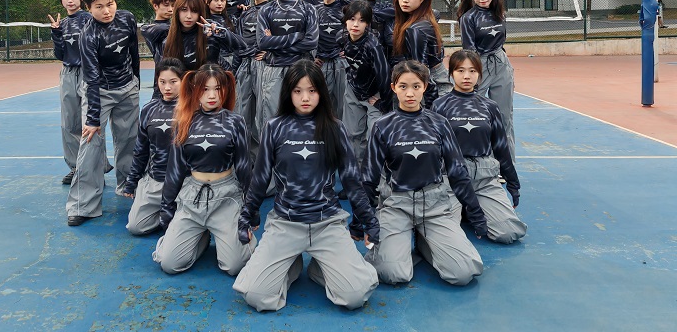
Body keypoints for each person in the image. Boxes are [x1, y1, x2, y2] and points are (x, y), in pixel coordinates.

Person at [233, 60, 379, 312]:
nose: (305, 98)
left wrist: (369, 221)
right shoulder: (274, 127)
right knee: (257, 296)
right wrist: (248, 215)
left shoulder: (335, 128)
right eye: (298, 91)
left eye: (312, 90)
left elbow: (352, 181)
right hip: (286, 223)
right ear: (288, 93)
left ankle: (320, 268)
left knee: (354, 297)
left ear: (321, 92)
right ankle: (291, 264)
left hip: (327, 222)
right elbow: (260, 177)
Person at [362, 60, 487, 286]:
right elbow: (369, 177)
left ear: (425, 87)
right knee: (394, 274)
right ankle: (396, 246)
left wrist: (475, 213)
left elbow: (457, 171)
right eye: (403, 86)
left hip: (434, 206)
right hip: (397, 205)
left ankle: (424, 243)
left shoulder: (439, 123)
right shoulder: (383, 126)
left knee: (464, 272)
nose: (410, 93)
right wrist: (367, 220)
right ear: (393, 88)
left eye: (416, 86)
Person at [153, 63, 256, 275]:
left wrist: (251, 212)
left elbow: (244, 168)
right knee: (169, 264)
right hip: (193, 197)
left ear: (225, 90)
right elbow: (175, 170)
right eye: (205, 89)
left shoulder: (235, 122)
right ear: (195, 90)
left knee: (234, 266)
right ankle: (200, 235)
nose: (211, 95)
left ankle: (233, 236)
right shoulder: (184, 121)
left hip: (226, 197)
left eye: (217, 89)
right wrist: (166, 208)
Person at [432, 50, 527, 244]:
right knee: (445, 238)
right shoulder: (439, 106)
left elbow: (501, 147)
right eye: (460, 70)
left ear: (480, 75)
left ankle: (473, 208)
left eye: (472, 71)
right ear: (451, 74)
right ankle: (464, 209)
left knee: (509, 233)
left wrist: (513, 183)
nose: (466, 76)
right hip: (452, 179)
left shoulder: (489, 106)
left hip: (484, 178)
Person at [66, 0, 140, 227]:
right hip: (99, 90)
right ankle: (83, 205)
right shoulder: (88, 34)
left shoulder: (127, 19)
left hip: (127, 87)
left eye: (110, 4)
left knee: (130, 139)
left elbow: (133, 53)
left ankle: (128, 185)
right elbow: (91, 77)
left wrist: (136, 81)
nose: (107, 11)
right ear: (89, 8)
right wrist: (93, 119)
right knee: (91, 143)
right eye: (99, 7)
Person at [256, 0, 319, 134]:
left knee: (304, 119)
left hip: (302, 69)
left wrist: (275, 42)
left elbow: (311, 42)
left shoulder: (309, 9)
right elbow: (263, 42)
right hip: (273, 70)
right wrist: (297, 36)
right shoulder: (266, 10)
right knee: (272, 121)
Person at [123, 58, 186, 235]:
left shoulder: (192, 109)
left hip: (184, 182)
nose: (167, 88)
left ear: (183, 81)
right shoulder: (149, 109)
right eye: (162, 82)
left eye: (173, 82)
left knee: (181, 229)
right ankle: (169, 215)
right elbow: (141, 149)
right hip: (156, 179)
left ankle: (178, 218)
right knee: (136, 227)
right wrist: (132, 180)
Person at [457, 0, 516, 160]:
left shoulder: (500, 14)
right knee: (475, 116)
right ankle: (478, 161)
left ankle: (507, 163)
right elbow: (469, 49)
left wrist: (503, 64)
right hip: (479, 65)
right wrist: (473, 73)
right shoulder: (468, 18)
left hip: (501, 63)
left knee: (504, 116)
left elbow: (501, 40)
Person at [49, 0, 93, 185]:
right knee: (69, 124)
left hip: (88, 73)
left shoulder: (90, 20)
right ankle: (76, 167)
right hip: (68, 74)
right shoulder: (62, 24)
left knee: (90, 123)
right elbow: (60, 54)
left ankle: (93, 168)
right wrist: (56, 33)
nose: (70, 0)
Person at [341, 0, 392, 165]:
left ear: (368, 24)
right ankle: (356, 172)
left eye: (361, 20)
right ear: (345, 20)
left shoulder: (373, 46)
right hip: (353, 89)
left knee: (375, 134)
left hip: (373, 93)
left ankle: (375, 173)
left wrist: (383, 103)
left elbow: (384, 75)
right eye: (352, 19)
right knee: (352, 134)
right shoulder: (342, 37)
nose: (356, 24)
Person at [392, 0, 452, 106]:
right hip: (439, 79)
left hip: (433, 86)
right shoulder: (425, 17)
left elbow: (421, 71)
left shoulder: (416, 29)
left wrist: (429, 107)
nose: (405, 0)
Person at [233, 0, 271, 163]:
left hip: (265, 66)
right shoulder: (244, 14)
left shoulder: (275, 10)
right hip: (245, 67)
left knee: (265, 116)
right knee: (243, 116)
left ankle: (267, 164)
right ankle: (248, 164)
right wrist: (234, 71)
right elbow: (238, 43)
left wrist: (270, 54)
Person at [160, 0, 245, 72]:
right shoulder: (168, 42)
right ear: (177, 11)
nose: (189, 16)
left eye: (194, 11)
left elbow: (242, 46)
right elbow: (163, 73)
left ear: (200, 12)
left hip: (213, 80)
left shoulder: (210, 32)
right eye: (184, 9)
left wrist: (220, 33)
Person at [140, 0, 177, 100]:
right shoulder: (148, 29)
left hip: (179, 76)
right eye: (166, 5)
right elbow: (158, 29)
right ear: (155, 6)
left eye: (173, 5)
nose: (170, 9)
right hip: (161, 79)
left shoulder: (175, 27)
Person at [204, 0, 236, 70]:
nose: (219, 3)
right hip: (210, 63)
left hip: (231, 61)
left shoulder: (232, 19)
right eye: (215, 0)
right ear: (207, 1)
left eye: (222, 0)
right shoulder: (203, 21)